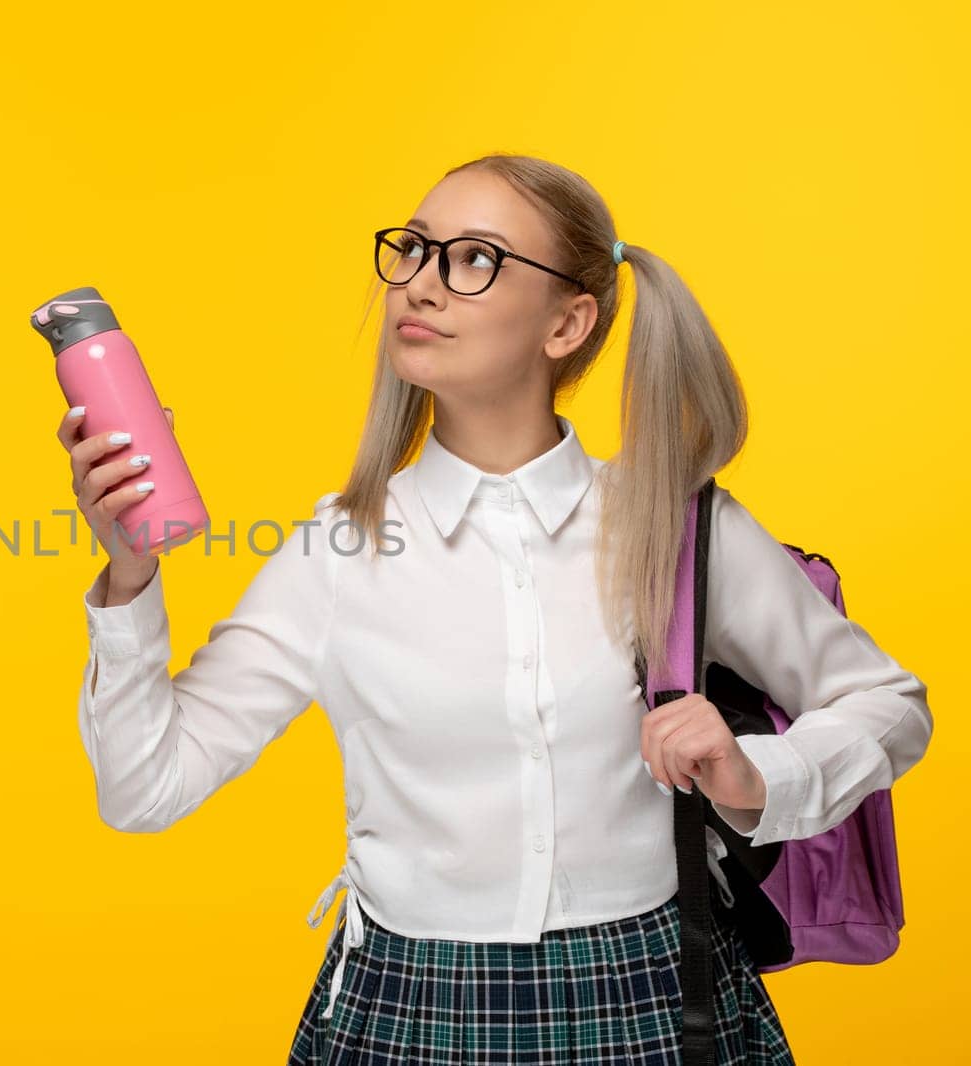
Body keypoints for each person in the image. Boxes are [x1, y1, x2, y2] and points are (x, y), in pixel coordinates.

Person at [57, 153, 932, 1065]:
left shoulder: (674, 525)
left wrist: (761, 778)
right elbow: (143, 790)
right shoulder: (336, 551)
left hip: (657, 999)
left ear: (567, 321)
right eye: (415, 251)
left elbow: (890, 705)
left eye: (473, 259)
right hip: (404, 1012)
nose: (422, 286)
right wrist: (128, 580)